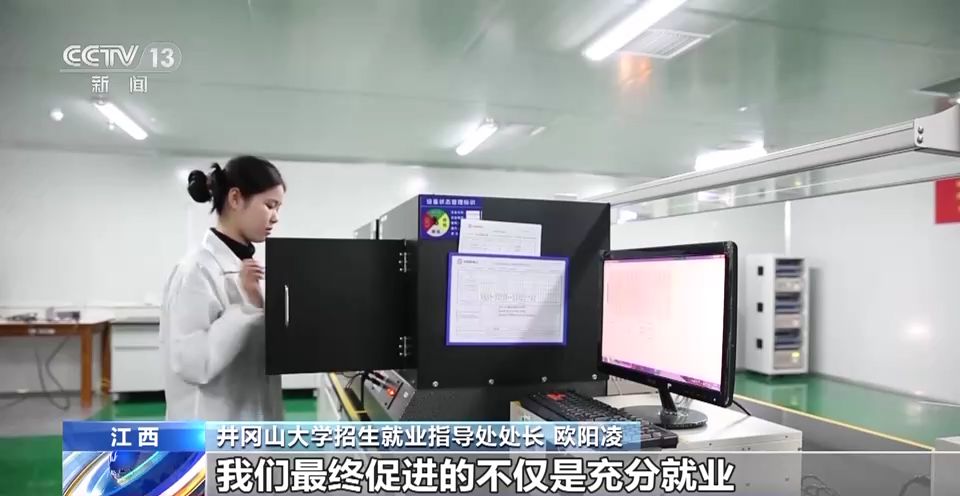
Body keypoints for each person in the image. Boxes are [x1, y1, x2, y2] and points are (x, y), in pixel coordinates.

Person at [159, 155, 285, 421]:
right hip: (210, 429)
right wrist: (247, 308)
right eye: (269, 205)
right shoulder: (196, 271)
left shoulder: (247, 267)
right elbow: (193, 364)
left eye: (278, 208)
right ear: (236, 198)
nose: (275, 218)